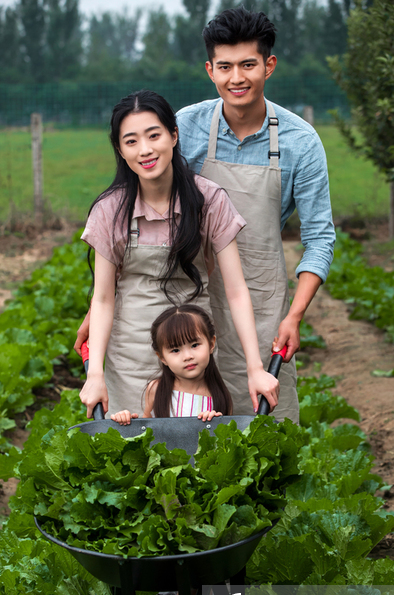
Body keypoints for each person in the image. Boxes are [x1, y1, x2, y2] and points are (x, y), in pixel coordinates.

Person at [175, 6, 336, 423]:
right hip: (189, 295)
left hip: (263, 300)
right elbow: (137, 213)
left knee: (264, 426)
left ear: (269, 65)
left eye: (248, 64)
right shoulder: (185, 129)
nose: (237, 78)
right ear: (210, 69)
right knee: (183, 423)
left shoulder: (301, 141)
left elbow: (320, 237)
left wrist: (294, 316)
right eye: (225, 66)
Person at [76, 90, 279, 419]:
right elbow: (102, 299)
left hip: (191, 349)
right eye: (131, 141)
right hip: (131, 351)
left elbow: (236, 290)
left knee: (196, 453)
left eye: (154, 135)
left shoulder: (207, 199)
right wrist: (95, 375)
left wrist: (255, 368)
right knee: (136, 454)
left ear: (173, 135)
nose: (145, 150)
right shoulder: (110, 209)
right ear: (120, 150)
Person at [111, 304, 232, 424]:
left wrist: (216, 423)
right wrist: (127, 421)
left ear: (211, 344)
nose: (188, 356)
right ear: (162, 357)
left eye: (194, 345)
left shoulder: (220, 396)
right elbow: (146, 430)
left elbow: (226, 438)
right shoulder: (156, 390)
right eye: (175, 350)